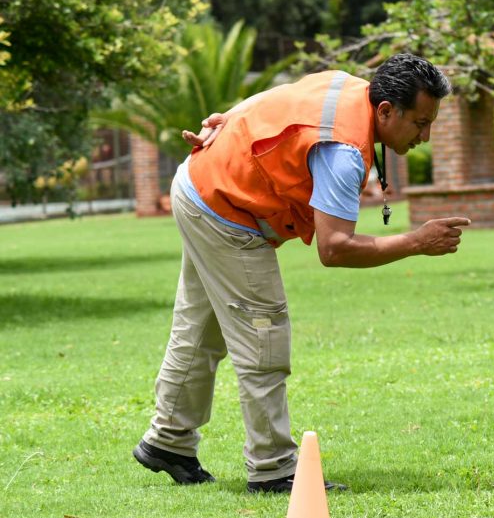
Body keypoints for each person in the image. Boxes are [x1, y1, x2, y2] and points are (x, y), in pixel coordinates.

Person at [133, 53, 471, 493]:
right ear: (386, 110)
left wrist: (227, 117)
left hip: (198, 185)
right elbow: (335, 248)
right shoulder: (342, 152)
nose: (425, 136)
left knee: (200, 328)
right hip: (225, 211)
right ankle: (273, 469)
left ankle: (168, 442)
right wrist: (417, 242)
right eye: (421, 123)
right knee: (263, 336)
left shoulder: (346, 85)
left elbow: (277, 96)